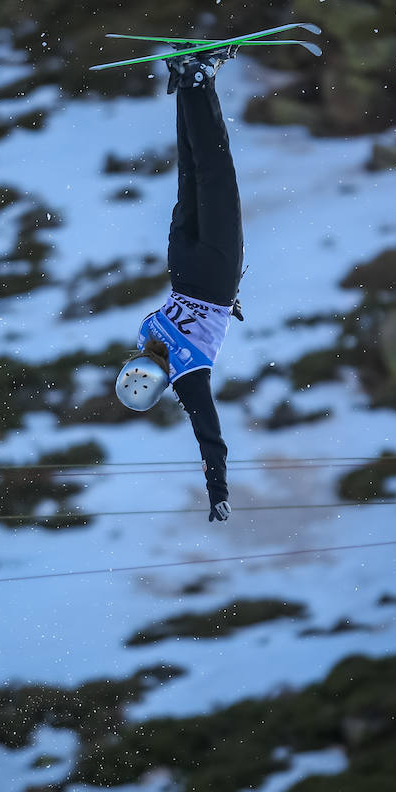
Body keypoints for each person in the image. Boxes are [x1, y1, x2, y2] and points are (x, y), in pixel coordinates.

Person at [115, 46, 245, 523]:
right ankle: (188, 82)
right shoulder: (145, 337)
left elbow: (209, 434)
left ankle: (196, 79)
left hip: (213, 273)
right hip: (182, 264)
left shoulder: (187, 375)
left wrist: (218, 489)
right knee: (191, 173)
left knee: (215, 171)